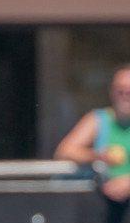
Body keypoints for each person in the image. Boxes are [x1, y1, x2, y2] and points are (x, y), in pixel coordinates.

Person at [54, 64, 130, 204]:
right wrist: (98, 155)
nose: (125, 95)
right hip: (100, 207)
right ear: (111, 91)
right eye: (120, 89)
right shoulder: (98, 119)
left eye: (129, 90)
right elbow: (64, 151)